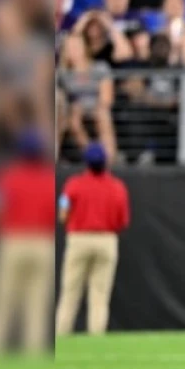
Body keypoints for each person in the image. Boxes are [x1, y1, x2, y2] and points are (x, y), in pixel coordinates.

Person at [0, 132, 56, 355]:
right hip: (43, 243)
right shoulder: (49, 179)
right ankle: (32, 365)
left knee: (3, 303)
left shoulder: (7, 177)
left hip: (13, 240)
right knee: (35, 309)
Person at [56, 143, 130, 336]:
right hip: (106, 240)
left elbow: (63, 210)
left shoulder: (74, 184)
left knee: (70, 293)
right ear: (105, 162)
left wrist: (69, 219)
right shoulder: (117, 187)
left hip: (79, 238)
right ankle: (96, 340)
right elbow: (123, 221)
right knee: (99, 295)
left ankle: (61, 335)